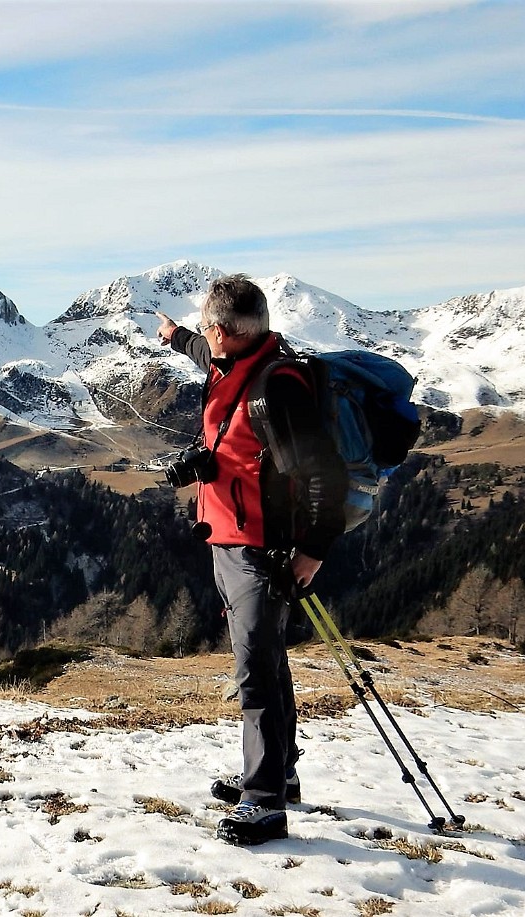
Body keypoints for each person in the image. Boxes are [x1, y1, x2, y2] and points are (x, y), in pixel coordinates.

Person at [155, 274, 347, 846]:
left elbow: (324, 476)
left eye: (206, 330)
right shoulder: (235, 359)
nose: (204, 340)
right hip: (230, 537)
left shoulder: (273, 388)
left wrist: (312, 552)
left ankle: (263, 802)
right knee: (266, 657)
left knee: (255, 670)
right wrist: (175, 337)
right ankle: (279, 773)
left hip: (261, 548)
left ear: (224, 331)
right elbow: (202, 352)